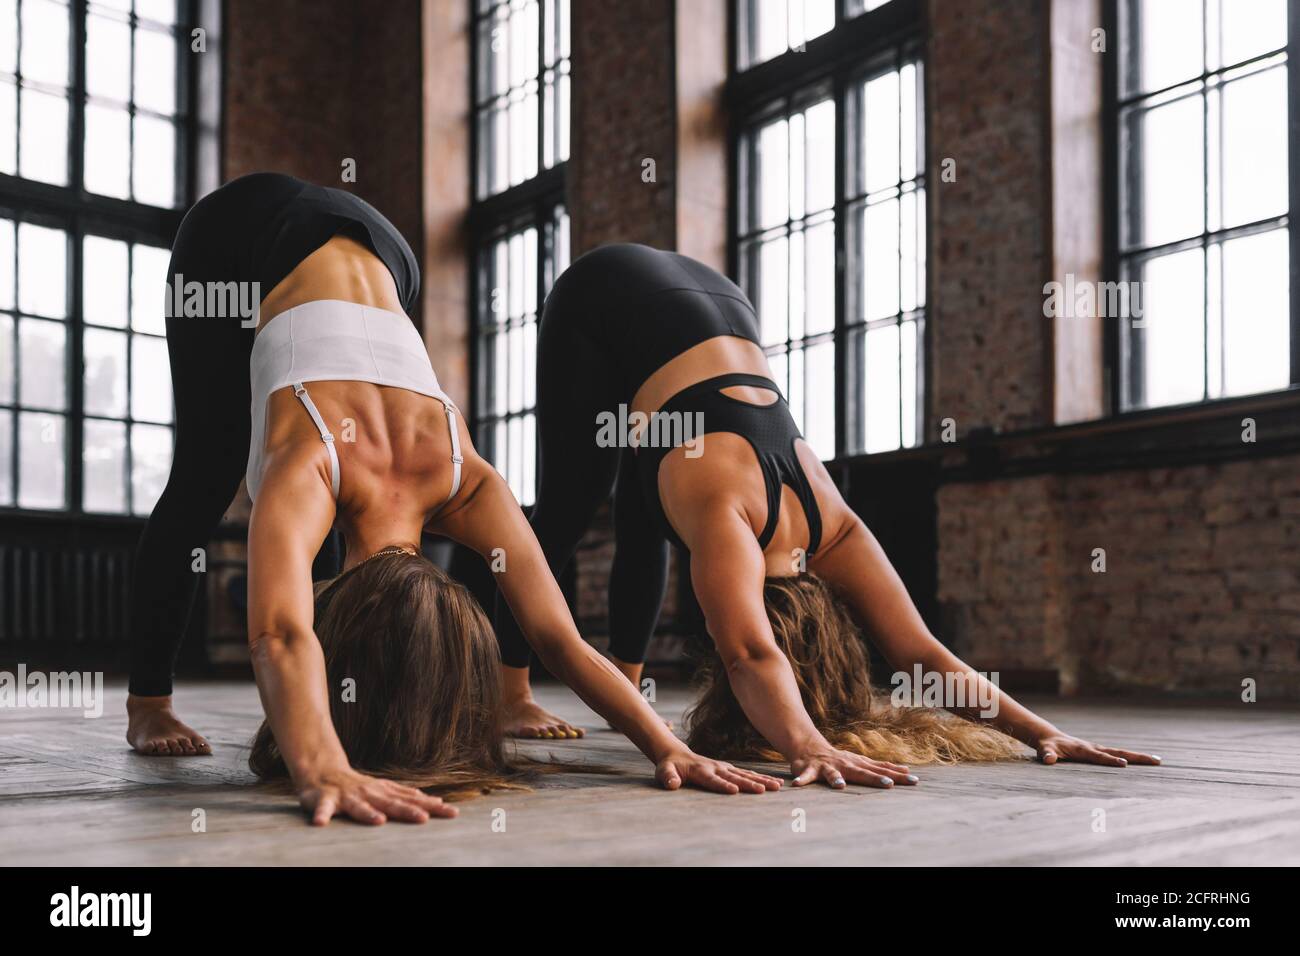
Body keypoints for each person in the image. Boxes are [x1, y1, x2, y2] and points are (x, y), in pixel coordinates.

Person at [125, 176, 782, 825]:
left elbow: (559, 639)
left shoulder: (460, 477)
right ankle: (147, 703)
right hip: (238, 235)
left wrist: (668, 746)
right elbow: (278, 632)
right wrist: (320, 765)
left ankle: (170, 699)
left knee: (283, 517)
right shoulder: (330, 463)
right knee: (204, 477)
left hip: (388, 249)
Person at [492, 242, 1162, 788]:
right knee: (567, 506)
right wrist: (806, 744)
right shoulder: (737, 521)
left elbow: (922, 654)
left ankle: (627, 686)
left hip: (722, 301)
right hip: (603, 291)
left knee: (652, 512)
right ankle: (511, 692)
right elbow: (751, 652)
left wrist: (1040, 730)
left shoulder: (833, 526)